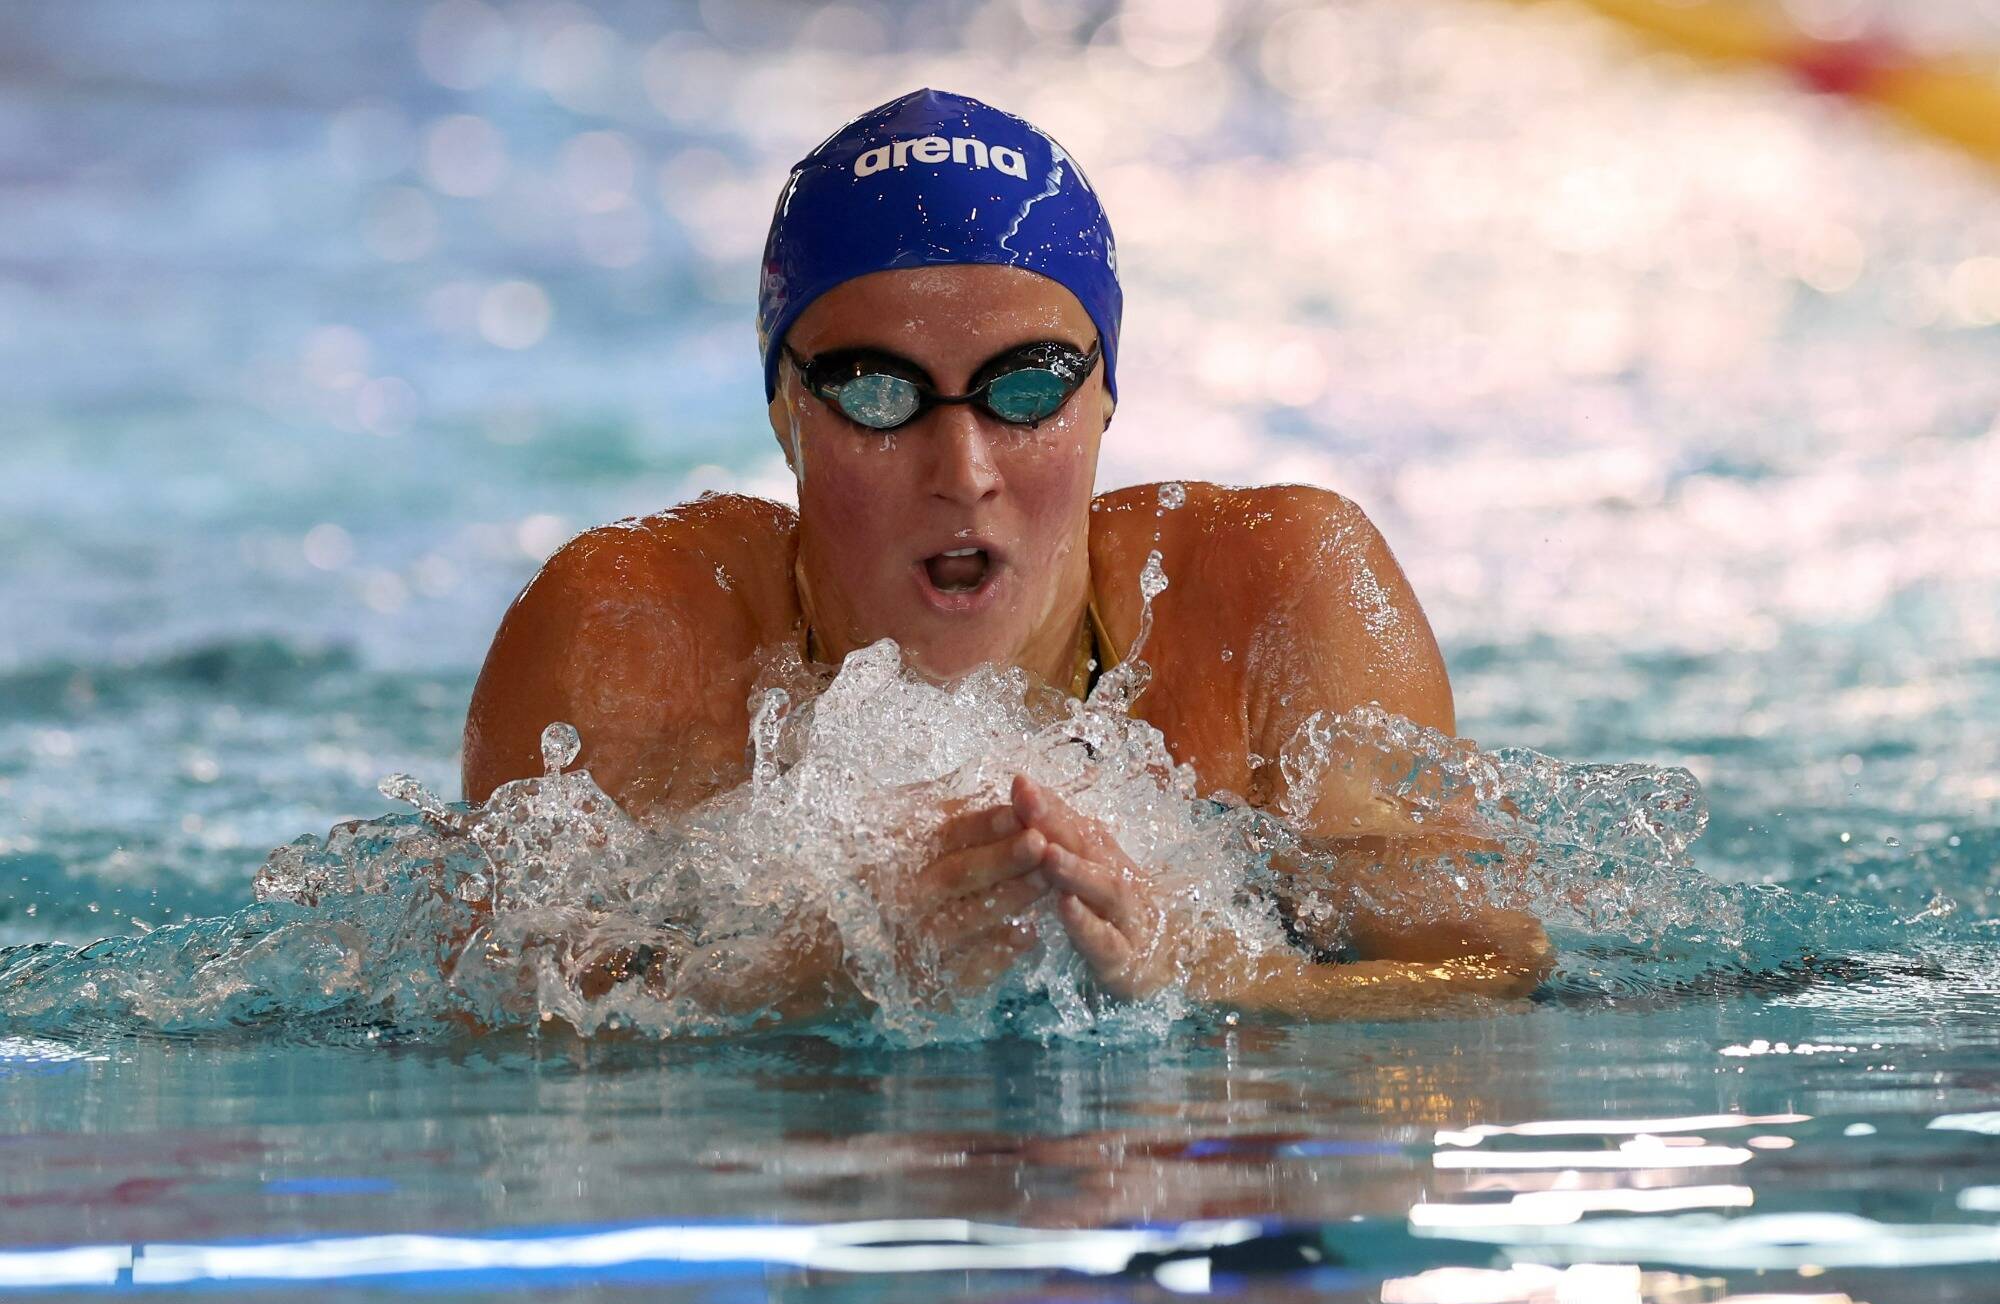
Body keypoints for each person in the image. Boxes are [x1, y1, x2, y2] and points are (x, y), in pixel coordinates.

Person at [462, 90, 1550, 1022]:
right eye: (880, 395)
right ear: (788, 411)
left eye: (1025, 386)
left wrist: (1206, 968)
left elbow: (1489, 978)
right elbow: (487, 1025)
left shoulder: (1282, 593)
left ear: (1106, 392)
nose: (964, 468)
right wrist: (808, 974)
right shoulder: (629, 632)